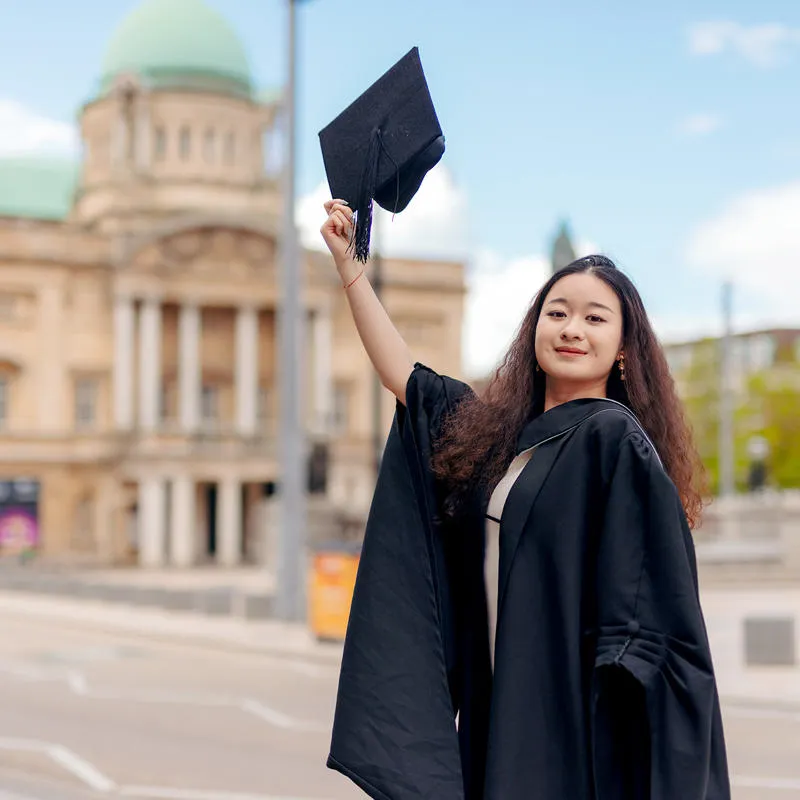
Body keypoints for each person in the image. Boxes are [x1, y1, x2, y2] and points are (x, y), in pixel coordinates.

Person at [320, 199, 731, 800]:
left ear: (622, 348)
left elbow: (653, 602)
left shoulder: (613, 441)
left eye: (595, 319)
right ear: (533, 327)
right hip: (496, 700)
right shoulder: (497, 438)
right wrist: (350, 266)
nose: (570, 329)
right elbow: (405, 376)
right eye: (556, 312)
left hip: (566, 717)